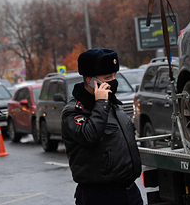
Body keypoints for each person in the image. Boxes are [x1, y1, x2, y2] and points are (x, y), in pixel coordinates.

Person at [61, 48, 143, 205]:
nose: (113, 81)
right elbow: (89, 136)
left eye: (114, 76)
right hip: (99, 195)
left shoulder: (112, 105)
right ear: (90, 81)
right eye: (107, 77)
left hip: (129, 191)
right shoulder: (73, 111)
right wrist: (101, 103)